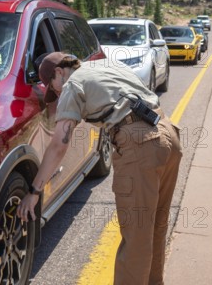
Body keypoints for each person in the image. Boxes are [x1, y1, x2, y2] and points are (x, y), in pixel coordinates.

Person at [17, 52, 182, 285]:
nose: (58, 93)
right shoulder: (108, 64)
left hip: (139, 145)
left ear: (59, 73)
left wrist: (34, 192)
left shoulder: (72, 84)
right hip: (168, 134)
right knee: (154, 226)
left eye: (53, 87)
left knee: (136, 238)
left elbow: (58, 146)